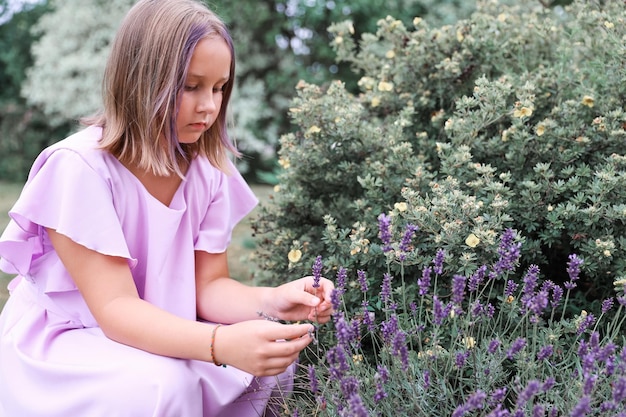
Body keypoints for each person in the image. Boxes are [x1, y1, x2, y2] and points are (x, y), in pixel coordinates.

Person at [0, 0, 334, 416]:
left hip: (157, 325)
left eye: (219, 88)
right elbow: (116, 310)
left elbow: (208, 286)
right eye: (191, 87)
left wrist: (272, 300)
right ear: (140, 81)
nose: (209, 106)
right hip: (72, 338)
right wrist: (220, 344)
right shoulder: (80, 168)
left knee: (269, 365)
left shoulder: (208, 170)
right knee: (164, 386)